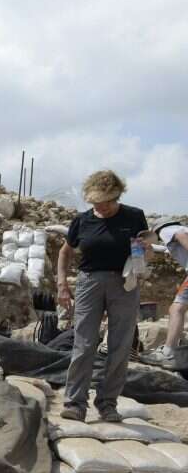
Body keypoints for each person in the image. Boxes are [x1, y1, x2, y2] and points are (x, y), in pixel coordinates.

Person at [57, 170, 149, 422]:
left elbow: (143, 248)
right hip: (90, 283)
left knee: (120, 346)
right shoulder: (82, 221)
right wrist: (62, 284)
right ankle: (75, 403)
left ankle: (108, 403)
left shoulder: (134, 216)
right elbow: (65, 253)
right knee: (84, 343)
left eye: (107, 202)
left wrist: (141, 262)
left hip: (125, 283)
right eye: (97, 203)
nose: (102, 207)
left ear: (117, 196)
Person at [142, 217, 188, 369]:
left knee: (176, 308)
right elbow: (164, 248)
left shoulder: (167, 230)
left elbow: (180, 235)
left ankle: (168, 352)